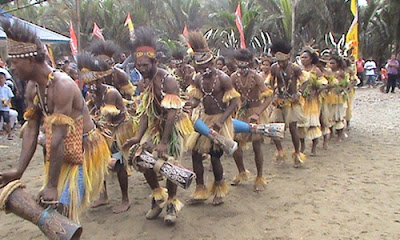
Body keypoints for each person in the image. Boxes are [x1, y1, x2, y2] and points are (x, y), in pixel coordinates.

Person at [0, 19, 110, 223]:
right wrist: (18, 171)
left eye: (14, 62)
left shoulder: (62, 86)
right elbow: (31, 130)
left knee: (64, 208)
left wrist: (51, 185)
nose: (11, 68)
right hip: (63, 149)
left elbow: (58, 138)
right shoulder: (33, 87)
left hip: (84, 150)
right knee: (57, 208)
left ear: (31, 60)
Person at [122, 27, 193, 224]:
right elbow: (145, 112)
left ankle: (171, 202)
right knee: (141, 160)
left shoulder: (167, 81)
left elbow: (172, 113)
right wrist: (138, 136)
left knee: (169, 165)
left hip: (171, 128)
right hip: (153, 126)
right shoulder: (143, 82)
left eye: (145, 64)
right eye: (138, 65)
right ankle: (157, 197)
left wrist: (163, 142)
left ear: (155, 62)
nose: (141, 68)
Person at [185, 31, 240, 205]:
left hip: (220, 120)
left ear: (212, 61)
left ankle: (219, 189)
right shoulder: (198, 78)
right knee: (195, 153)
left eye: (206, 65)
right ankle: (200, 189)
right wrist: (190, 104)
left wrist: (222, 121)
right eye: (200, 67)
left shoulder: (223, 79)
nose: (203, 69)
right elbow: (197, 98)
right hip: (204, 119)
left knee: (215, 155)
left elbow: (234, 102)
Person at [78, 53, 137, 214]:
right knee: (98, 161)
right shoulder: (90, 94)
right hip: (104, 129)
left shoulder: (111, 93)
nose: (90, 87)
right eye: (87, 83)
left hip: (119, 129)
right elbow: (90, 115)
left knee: (119, 165)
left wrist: (94, 127)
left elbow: (107, 120)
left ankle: (125, 199)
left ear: (100, 80)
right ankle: (103, 196)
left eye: (92, 83)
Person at [230, 48, 273, 191]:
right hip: (241, 113)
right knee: (235, 145)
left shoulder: (257, 77)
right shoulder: (233, 77)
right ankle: (241, 172)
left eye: (245, 65)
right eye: (239, 65)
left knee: (257, 145)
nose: (242, 68)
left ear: (250, 63)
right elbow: (230, 95)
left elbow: (268, 97)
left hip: (256, 112)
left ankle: (259, 177)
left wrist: (258, 114)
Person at [269, 41, 306, 167]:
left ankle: (297, 154)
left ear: (288, 57)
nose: (280, 64)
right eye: (278, 61)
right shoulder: (274, 68)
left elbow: (306, 81)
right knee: (274, 127)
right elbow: (270, 83)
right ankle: (280, 151)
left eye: (283, 61)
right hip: (279, 100)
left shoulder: (295, 68)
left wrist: (298, 93)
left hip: (292, 102)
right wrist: (273, 95)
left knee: (293, 128)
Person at [298, 47, 327, 156]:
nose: (303, 59)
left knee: (313, 124)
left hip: (313, 101)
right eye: (302, 57)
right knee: (300, 125)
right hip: (301, 100)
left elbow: (323, 83)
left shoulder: (316, 70)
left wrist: (316, 89)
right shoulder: (298, 69)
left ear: (311, 59)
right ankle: (302, 145)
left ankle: (313, 148)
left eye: (305, 57)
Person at [0, 71, 14, 140]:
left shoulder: (7, 88)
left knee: (7, 120)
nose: (0, 80)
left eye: (2, 78)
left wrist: (7, 103)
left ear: (5, 79)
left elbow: (10, 97)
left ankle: (10, 133)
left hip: (5, 107)